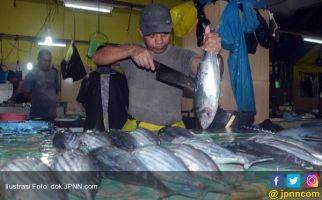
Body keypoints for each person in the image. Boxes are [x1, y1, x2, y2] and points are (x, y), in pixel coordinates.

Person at [92, 3, 221, 131]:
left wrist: (214, 54)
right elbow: (97, 57)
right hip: (138, 130)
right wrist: (131, 50)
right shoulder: (131, 53)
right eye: (152, 35)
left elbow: (210, 70)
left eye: (164, 34)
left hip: (173, 130)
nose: (159, 41)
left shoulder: (182, 56)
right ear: (141, 32)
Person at [76, 62, 129, 131]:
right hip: (117, 128)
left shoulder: (88, 78)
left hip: (94, 127)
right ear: (111, 61)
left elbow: (82, 100)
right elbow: (127, 102)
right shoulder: (121, 78)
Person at [24, 49, 59, 120]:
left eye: (49, 61)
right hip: (36, 115)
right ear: (38, 59)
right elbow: (26, 94)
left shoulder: (53, 74)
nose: (47, 63)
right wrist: (39, 98)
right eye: (45, 60)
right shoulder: (31, 74)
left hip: (52, 115)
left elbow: (56, 91)